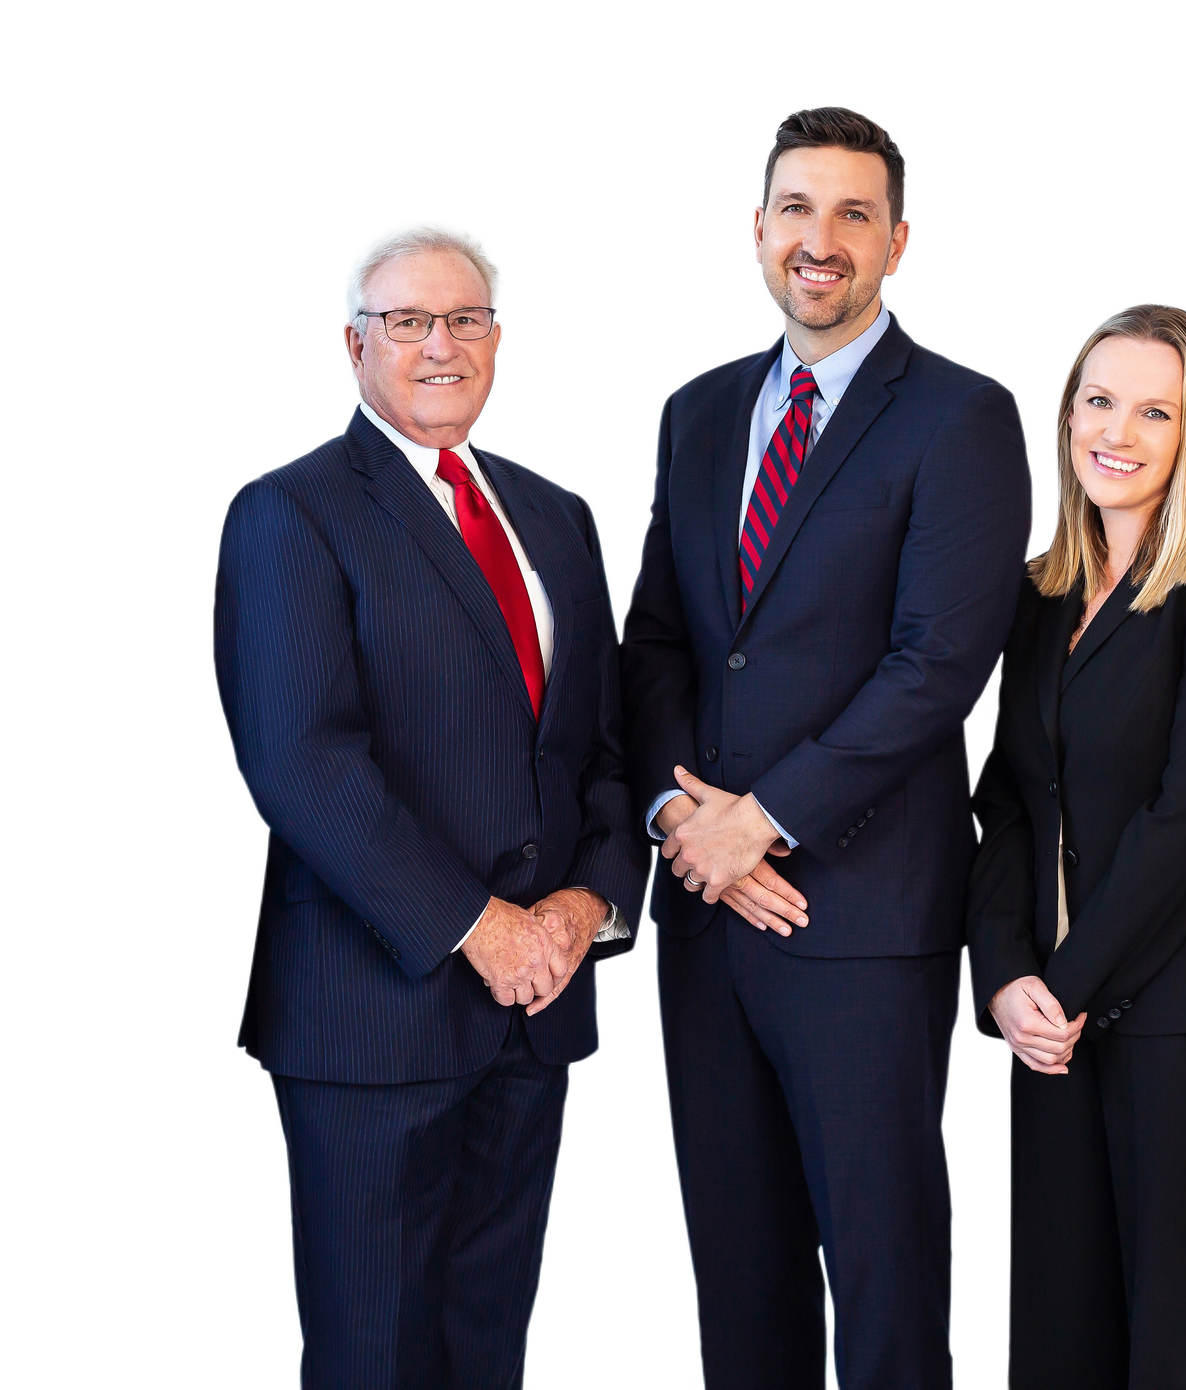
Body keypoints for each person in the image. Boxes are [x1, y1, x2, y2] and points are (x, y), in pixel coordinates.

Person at [620, 105, 1032, 1389]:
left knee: (882, 1268)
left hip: (859, 911)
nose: (822, 238)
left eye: (856, 213)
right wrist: (685, 826)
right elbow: (658, 643)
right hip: (705, 915)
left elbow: (938, 665)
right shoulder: (696, 412)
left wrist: (763, 818)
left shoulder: (964, 414)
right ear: (757, 230)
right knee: (738, 1276)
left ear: (898, 242)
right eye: (797, 208)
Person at [210, 219, 648, 1389]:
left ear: (498, 341)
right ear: (355, 344)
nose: (440, 345)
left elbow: (604, 749)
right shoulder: (290, 511)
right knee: (372, 1358)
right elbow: (302, 762)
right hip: (373, 1016)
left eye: (465, 319)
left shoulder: (558, 516)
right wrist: (479, 926)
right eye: (408, 321)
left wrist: (584, 906)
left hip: (537, 1008)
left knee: (486, 1352)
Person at [966, 302, 1186, 1388]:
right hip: (1049, 1016)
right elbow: (1008, 799)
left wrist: (1063, 983)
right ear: (1068, 415)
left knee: (1184, 1339)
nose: (1117, 431)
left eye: (1155, 411)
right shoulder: (1041, 592)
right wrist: (1005, 975)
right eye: (1099, 401)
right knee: (1058, 1330)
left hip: (1183, 1007)